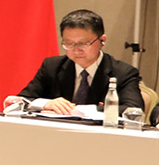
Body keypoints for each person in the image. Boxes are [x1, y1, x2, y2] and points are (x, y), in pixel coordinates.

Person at [10, 8, 142, 116]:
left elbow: (134, 110)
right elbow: (19, 101)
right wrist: (45, 104)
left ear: (102, 40)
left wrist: (81, 110)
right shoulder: (52, 66)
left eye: (83, 43)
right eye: (69, 43)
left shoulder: (123, 73)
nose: (76, 50)